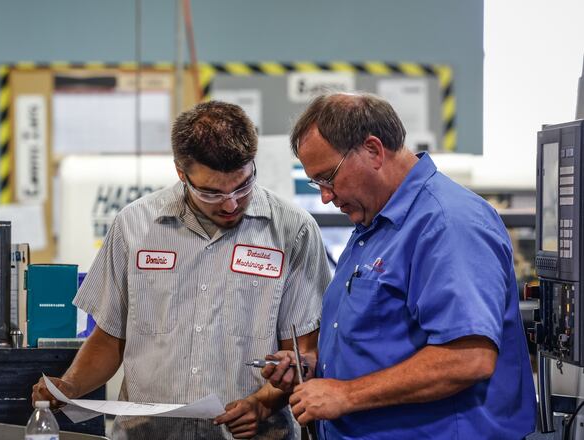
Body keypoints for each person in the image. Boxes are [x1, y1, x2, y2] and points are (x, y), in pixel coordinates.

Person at [32, 101, 331, 439]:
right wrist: (69, 386)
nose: (231, 204)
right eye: (212, 193)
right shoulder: (135, 226)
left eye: (243, 186)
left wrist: (262, 403)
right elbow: (110, 338)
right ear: (180, 172)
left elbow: (305, 353)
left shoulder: (294, 231)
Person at [262, 92, 536, 439]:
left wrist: (346, 394)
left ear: (374, 150)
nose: (325, 196)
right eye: (317, 183)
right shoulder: (377, 226)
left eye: (328, 177)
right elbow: (385, 338)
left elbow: (467, 359)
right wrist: (315, 366)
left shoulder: (446, 224)